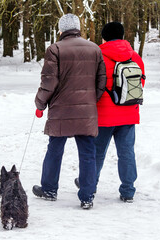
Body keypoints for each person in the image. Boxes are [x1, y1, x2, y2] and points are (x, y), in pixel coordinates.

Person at [32, 13, 107, 209]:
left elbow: (48, 82)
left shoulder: (55, 49)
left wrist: (40, 104)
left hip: (60, 110)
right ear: (78, 28)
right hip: (86, 111)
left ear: (61, 30)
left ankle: (49, 189)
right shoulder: (95, 49)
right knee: (88, 153)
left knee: (55, 149)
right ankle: (87, 196)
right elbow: (101, 82)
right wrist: (91, 100)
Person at [75, 22, 146, 203]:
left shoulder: (97, 56)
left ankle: (91, 185)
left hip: (103, 115)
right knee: (127, 153)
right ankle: (128, 191)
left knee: (97, 153)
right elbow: (140, 84)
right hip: (129, 113)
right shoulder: (135, 57)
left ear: (103, 37)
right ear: (123, 36)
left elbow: (91, 85)